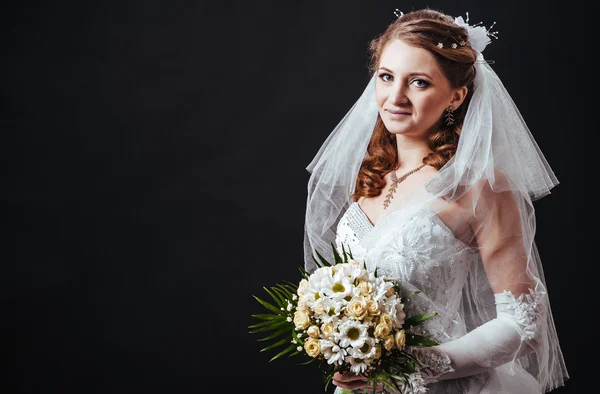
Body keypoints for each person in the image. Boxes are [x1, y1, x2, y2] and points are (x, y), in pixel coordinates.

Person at [302, 8, 569, 394]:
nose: (395, 97)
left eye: (419, 83)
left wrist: (413, 365)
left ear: (456, 96)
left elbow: (524, 325)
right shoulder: (370, 172)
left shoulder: (480, 187)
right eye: (386, 77)